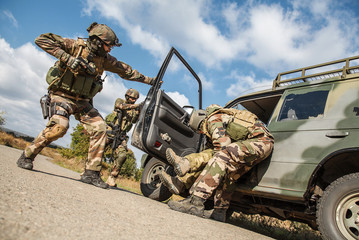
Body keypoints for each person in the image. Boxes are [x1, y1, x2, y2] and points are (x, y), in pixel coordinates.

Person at [16, 22, 155, 189]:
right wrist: (66, 57)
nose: (109, 50)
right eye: (107, 45)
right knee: (59, 127)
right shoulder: (74, 46)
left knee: (100, 128)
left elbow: (126, 71)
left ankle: (91, 173)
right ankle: (27, 156)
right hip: (62, 96)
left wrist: (150, 81)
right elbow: (42, 39)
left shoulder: (105, 60)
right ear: (96, 41)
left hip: (83, 102)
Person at [165, 104, 274, 221]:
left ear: (201, 122)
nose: (202, 133)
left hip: (260, 142)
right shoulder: (223, 116)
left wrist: (204, 160)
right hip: (263, 144)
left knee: (220, 158)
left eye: (200, 130)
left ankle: (195, 202)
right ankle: (219, 212)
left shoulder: (212, 119)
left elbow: (222, 145)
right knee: (230, 175)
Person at [105, 88, 142, 187]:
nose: (134, 100)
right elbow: (120, 106)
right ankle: (90, 170)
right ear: (127, 96)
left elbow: (136, 120)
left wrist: (141, 109)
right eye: (132, 98)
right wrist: (137, 106)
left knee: (122, 156)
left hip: (121, 136)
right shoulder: (120, 101)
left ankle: (111, 178)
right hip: (110, 132)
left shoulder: (135, 110)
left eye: (135, 99)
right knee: (98, 150)